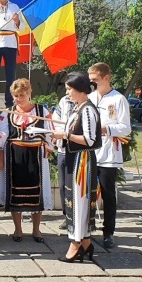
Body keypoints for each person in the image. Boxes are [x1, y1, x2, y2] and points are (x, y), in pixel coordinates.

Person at [50, 72, 101, 262]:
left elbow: (89, 139)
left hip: (83, 161)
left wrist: (66, 135)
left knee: (80, 202)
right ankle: (86, 243)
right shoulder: (78, 108)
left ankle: (76, 244)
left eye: (70, 89)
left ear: (80, 90)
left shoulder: (87, 110)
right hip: (74, 158)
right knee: (75, 200)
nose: (68, 93)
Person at [0, 79, 53, 243]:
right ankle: (18, 228)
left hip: (36, 155)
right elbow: (2, 137)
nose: (18, 99)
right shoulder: (7, 113)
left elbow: (50, 133)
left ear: (30, 93)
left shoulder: (41, 111)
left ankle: (36, 229)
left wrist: (49, 147)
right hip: (14, 156)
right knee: (16, 193)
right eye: (15, 96)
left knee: (37, 192)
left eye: (21, 95)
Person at [88, 62, 131, 249]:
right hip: (89, 152)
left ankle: (108, 232)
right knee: (87, 193)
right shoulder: (89, 97)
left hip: (108, 153)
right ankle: (86, 227)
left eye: (95, 80)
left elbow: (125, 127)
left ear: (106, 78)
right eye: (90, 81)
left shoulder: (118, 99)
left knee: (108, 194)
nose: (92, 84)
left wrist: (105, 128)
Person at [53, 94, 76, 230]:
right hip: (63, 149)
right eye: (66, 88)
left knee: (76, 186)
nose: (67, 91)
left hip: (78, 151)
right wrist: (59, 131)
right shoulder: (64, 100)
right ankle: (67, 216)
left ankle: (79, 217)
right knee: (63, 186)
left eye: (70, 88)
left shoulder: (87, 102)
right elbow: (56, 118)